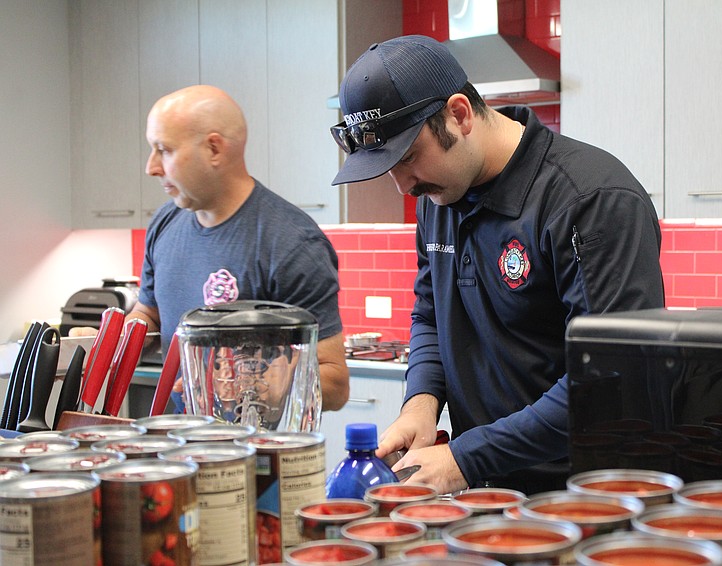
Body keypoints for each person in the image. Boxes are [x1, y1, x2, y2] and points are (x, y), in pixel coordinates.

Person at [330, 36, 664, 494]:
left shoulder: (590, 200)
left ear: (460, 115)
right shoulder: (438, 195)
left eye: (407, 157)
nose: (403, 185)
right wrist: (421, 403)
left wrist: (463, 458)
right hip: (488, 495)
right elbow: (432, 314)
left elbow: (607, 380)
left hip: (586, 498)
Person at [75, 85, 349, 411]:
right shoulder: (165, 224)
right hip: (182, 445)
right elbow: (149, 313)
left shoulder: (292, 243)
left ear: (214, 149)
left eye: (164, 150)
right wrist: (100, 346)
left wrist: (245, 384)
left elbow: (335, 383)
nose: (151, 167)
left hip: (259, 455)